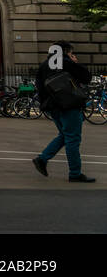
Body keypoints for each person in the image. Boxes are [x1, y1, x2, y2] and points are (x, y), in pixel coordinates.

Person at [33, 40, 95, 182]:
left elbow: (40, 88)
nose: (72, 55)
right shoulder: (67, 63)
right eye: (71, 52)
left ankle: (42, 159)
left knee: (64, 135)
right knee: (73, 139)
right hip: (70, 106)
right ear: (66, 52)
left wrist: (47, 105)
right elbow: (87, 77)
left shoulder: (44, 66)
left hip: (53, 108)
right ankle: (75, 173)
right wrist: (75, 63)